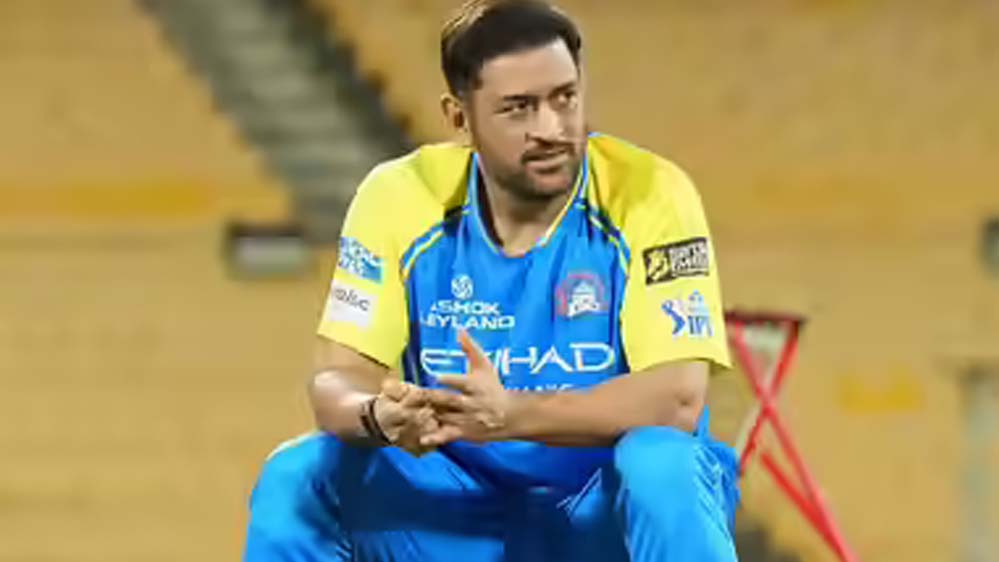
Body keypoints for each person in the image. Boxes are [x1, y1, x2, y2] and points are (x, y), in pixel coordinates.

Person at [244, 1, 739, 560]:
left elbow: (676, 399)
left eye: (565, 98)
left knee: (661, 463)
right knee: (299, 474)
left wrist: (512, 415)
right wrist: (378, 415)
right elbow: (337, 381)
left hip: (599, 509)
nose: (551, 129)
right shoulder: (398, 197)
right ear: (459, 117)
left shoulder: (651, 193)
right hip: (457, 506)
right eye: (519, 108)